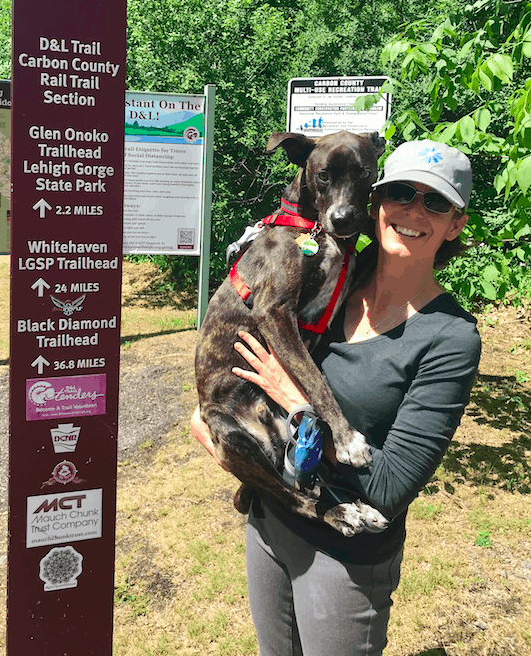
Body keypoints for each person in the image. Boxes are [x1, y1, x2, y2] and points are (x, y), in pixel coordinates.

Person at [191, 139, 482, 656]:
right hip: (270, 518)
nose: (413, 211)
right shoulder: (338, 269)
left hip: (345, 556)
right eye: (400, 193)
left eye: (434, 202)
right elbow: (252, 310)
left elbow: (390, 486)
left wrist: (299, 403)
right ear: (377, 202)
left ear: (455, 223)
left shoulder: (450, 338)